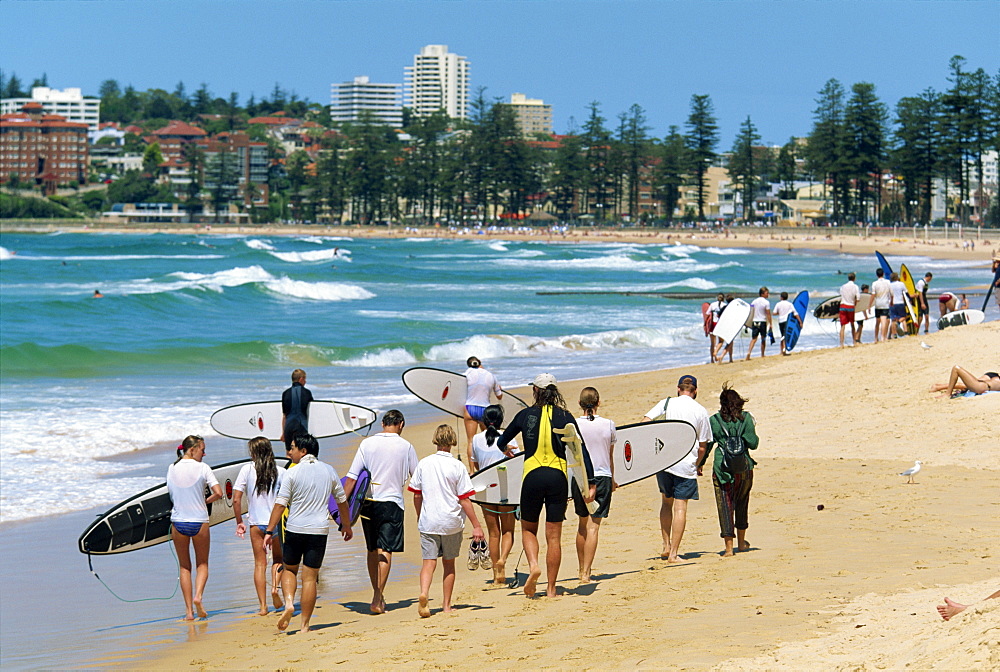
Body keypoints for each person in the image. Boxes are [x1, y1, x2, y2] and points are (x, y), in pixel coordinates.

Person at [497, 373, 595, 598]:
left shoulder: (524, 415)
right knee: (553, 536)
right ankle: (551, 589)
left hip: (532, 476)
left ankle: (533, 566)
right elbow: (582, 452)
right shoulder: (565, 416)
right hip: (557, 478)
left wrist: (506, 449)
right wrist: (590, 483)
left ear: (536, 391)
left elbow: (502, 441)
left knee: (529, 529)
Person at [263, 433, 352, 633]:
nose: (289, 452)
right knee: (310, 578)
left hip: (295, 529)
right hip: (318, 531)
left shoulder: (291, 473)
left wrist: (269, 531)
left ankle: (288, 603)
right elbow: (342, 502)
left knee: (290, 570)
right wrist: (346, 525)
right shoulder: (329, 470)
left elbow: (280, 504)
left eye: (293, 448)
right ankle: (304, 625)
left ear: (304, 451)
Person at [344, 410, 418, 614]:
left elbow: (351, 478)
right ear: (401, 424)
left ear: (383, 424)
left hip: (368, 503)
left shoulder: (367, 444)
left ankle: (377, 593)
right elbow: (417, 478)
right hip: (392, 503)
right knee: (385, 549)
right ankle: (377, 596)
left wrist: (342, 509)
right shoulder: (406, 447)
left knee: (371, 549)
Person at [409, 425, 485, 618]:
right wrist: (476, 525)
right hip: (451, 522)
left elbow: (417, 496)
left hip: (429, 521)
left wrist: (420, 515)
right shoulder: (457, 466)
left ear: (436, 440)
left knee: (428, 562)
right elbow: (464, 499)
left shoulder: (424, 464)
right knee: (449, 564)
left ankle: (424, 593)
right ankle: (446, 605)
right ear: (452, 441)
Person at [641, 375, 712, 563]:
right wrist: (697, 465)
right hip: (685, 464)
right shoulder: (701, 411)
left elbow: (644, 422)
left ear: (678, 388)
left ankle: (665, 545)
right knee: (680, 508)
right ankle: (673, 553)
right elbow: (703, 445)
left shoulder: (666, 403)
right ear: (695, 390)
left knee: (666, 503)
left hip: (664, 462)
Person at [167, 435, 223, 621]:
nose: (204, 453)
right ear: (192, 450)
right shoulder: (203, 468)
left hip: (178, 522)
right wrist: (204, 500)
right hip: (199, 521)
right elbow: (219, 493)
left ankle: (189, 612)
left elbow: (172, 494)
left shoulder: (172, 468)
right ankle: (198, 596)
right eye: (202, 449)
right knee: (202, 564)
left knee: (185, 567)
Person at [233, 436, 286, 616]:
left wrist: (239, 521)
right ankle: (275, 589)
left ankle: (263, 607)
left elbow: (236, 499)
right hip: (275, 522)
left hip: (256, 524)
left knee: (259, 564)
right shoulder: (280, 471)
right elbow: (286, 500)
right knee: (279, 559)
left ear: (253, 453)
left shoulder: (246, 470)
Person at [704, 385, 759, 557]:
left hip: (722, 469)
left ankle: (729, 548)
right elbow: (754, 443)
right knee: (742, 504)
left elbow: (707, 445)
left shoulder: (714, 421)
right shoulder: (747, 418)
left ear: (722, 404)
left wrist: (700, 463)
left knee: (724, 506)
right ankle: (742, 543)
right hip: (744, 467)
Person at [467, 404, 519, 586]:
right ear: (501, 420)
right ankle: (502, 560)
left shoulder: (475, 439)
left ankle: (497, 575)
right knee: (508, 530)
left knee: (493, 533)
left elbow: (474, 465)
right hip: (506, 489)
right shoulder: (509, 437)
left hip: (486, 490)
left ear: (483, 421)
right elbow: (517, 463)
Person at [575, 386, 616, 583]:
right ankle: (586, 572)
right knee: (593, 527)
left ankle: (580, 567)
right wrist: (613, 479)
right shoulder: (609, 424)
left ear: (580, 404)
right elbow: (609, 455)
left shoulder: (573, 425)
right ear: (598, 402)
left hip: (580, 478)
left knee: (582, 525)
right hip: (602, 476)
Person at [463, 357, 504, 457]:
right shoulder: (491, 375)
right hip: (485, 410)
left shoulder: (466, 374)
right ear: (480, 363)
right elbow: (499, 396)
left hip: (470, 408)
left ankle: (472, 471)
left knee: (471, 441)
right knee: (488, 437)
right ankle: (488, 464)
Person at [281, 369, 313, 450]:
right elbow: (312, 412)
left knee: (289, 453)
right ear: (301, 379)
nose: (305, 381)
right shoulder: (307, 392)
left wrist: (284, 433)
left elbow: (284, 416)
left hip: (288, 427)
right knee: (302, 452)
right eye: (305, 379)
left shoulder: (285, 393)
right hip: (301, 426)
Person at [929, 367, 1000, 398]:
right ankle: (939, 387)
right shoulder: (995, 378)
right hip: (984, 384)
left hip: (981, 386)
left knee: (956, 368)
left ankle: (947, 393)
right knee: (966, 384)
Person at [745, 287, 772, 360]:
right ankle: (762, 354)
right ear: (762, 293)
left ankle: (749, 352)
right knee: (763, 338)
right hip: (762, 321)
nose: (768, 294)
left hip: (755, 321)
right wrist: (770, 323)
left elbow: (751, 311)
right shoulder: (766, 302)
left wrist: (748, 322)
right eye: (767, 293)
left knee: (754, 339)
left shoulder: (754, 301)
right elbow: (768, 313)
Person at [772, 291, 802, 356]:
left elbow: (774, 313)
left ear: (781, 297)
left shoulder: (778, 304)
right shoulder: (790, 304)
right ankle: (785, 349)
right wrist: (800, 322)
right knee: (787, 335)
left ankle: (781, 351)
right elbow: (795, 313)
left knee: (782, 335)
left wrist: (779, 313)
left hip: (781, 321)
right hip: (787, 321)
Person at [712, 294, 737, 364]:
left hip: (721, 325)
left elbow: (717, 315)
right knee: (730, 342)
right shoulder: (734, 309)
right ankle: (723, 356)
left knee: (720, 341)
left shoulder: (724, 307)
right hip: (729, 326)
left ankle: (715, 351)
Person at [838, 272, 861, 347]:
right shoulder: (855, 287)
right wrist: (855, 305)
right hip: (851, 306)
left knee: (842, 326)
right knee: (852, 325)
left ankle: (841, 344)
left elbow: (840, 296)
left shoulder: (843, 286)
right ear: (854, 278)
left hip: (843, 306)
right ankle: (854, 342)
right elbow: (858, 299)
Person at [872, 268, 892, 343]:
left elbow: (873, 295)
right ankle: (883, 337)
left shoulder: (874, 283)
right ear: (883, 274)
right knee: (884, 321)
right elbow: (891, 293)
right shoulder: (888, 282)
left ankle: (875, 338)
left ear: (877, 275)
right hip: (885, 303)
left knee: (877, 322)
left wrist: (869, 304)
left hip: (877, 304)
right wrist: (892, 301)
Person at [888, 272, 909, 338]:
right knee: (904, 317)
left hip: (892, 303)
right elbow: (906, 293)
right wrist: (910, 299)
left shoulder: (889, 285)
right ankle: (906, 333)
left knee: (893, 319)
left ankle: (894, 335)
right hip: (900, 302)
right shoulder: (901, 284)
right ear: (897, 277)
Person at [708, 293, 725, 363]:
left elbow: (707, 314)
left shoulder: (712, 304)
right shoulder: (725, 305)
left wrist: (705, 326)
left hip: (712, 324)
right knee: (721, 341)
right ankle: (715, 352)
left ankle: (712, 359)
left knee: (712, 343)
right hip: (720, 324)